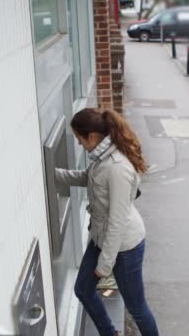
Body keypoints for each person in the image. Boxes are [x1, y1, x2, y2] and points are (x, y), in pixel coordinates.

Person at [55, 108, 159, 336]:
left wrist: (104, 264)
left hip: (125, 246)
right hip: (102, 237)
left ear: (91, 136)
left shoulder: (117, 168)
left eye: (79, 139)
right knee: (83, 288)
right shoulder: (101, 159)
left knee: (136, 308)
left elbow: (118, 222)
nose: (80, 144)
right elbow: (87, 178)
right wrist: (54, 174)